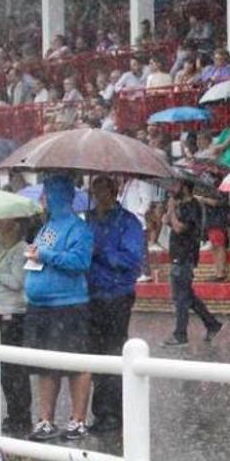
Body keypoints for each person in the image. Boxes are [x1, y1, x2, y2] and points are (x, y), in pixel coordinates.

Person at [23, 174, 95, 441]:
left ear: (57, 196)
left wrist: (44, 255)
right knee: (45, 365)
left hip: (68, 305)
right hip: (41, 306)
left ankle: (78, 419)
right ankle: (45, 420)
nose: (43, 199)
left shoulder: (78, 228)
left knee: (76, 363)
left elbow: (79, 261)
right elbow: (42, 252)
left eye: (46, 194)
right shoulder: (47, 227)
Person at [85, 176, 145, 434]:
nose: (99, 194)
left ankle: (114, 413)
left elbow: (132, 260)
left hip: (117, 295)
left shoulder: (128, 222)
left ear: (114, 191)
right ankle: (100, 411)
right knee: (95, 353)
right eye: (95, 189)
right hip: (90, 295)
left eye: (103, 189)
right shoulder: (86, 220)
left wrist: (102, 252)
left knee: (113, 350)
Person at [162, 180, 223, 347]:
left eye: (176, 186)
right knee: (186, 295)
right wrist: (170, 208)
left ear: (185, 187)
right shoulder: (180, 204)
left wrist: (173, 211)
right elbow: (166, 221)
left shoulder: (193, 206)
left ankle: (180, 334)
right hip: (176, 254)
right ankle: (211, 323)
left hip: (185, 255)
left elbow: (180, 228)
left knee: (181, 298)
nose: (173, 189)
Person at [0, 216, 31, 435]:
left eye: (2, 221)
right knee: (5, 370)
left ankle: (21, 416)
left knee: (15, 369)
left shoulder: (22, 250)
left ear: (15, 225)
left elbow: (17, 282)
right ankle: (14, 414)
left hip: (14, 315)